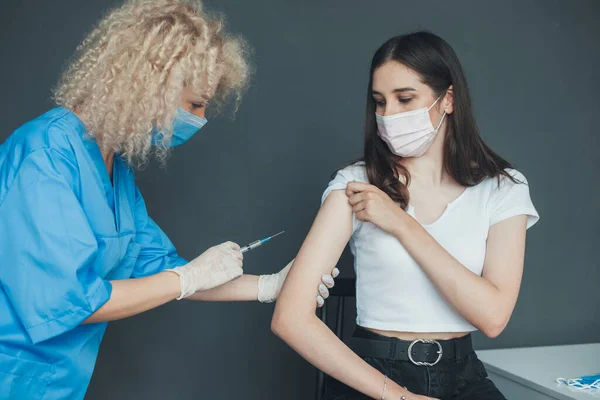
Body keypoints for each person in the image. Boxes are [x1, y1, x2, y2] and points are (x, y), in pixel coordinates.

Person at [0, 1, 337, 398]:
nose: (201, 117)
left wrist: (268, 286)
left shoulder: (114, 168)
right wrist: (186, 278)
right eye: (195, 104)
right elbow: (74, 301)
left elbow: (159, 269)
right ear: (149, 84)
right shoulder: (43, 156)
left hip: (56, 385)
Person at [271, 31, 539, 400]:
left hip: (464, 378)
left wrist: (401, 223)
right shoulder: (355, 184)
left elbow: (492, 317)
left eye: (405, 98)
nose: (388, 116)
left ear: (447, 99)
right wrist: (400, 397)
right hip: (373, 378)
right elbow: (291, 317)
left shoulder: (503, 188)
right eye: (379, 102)